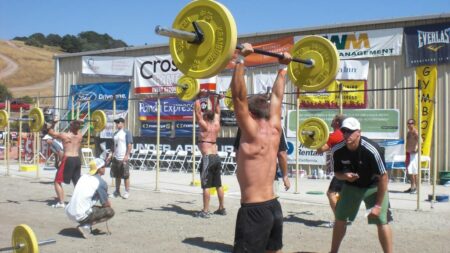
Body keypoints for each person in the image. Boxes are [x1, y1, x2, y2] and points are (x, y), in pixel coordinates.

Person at [231, 43, 291, 253]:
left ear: (252, 114)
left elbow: (238, 98)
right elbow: (277, 97)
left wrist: (240, 60)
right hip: (274, 207)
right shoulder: (275, 128)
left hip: (254, 210)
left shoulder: (252, 131)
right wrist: (282, 68)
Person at [330, 117, 393, 253]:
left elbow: (383, 177)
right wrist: (345, 176)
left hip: (374, 187)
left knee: (382, 221)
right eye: (344, 131)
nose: (346, 135)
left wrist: (377, 205)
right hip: (352, 187)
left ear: (359, 132)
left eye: (350, 131)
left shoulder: (372, 149)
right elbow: (337, 173)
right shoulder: (337, 150)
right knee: (340, 218)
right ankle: (333, 251)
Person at [65, 158, 115, 239]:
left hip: (69, 210)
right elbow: (106, 204)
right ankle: (86, 226)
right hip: (79, 214)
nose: (104, 168)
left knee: (89, 205)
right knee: (110, 211)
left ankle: (85, 223)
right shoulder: (101, 182)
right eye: (103, 167)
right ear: (99, 169)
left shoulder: (83, 177)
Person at [194, 96, 226, 218]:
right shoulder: (216, 124)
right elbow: (218, 111)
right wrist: (218, 100)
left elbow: (197, 112)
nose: (202, 115)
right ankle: (221, 208)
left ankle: (205, 211)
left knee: (206, 185)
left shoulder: (204, 125)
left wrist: (197, 98)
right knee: (218, 184)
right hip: (216, 157)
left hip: (208, 158)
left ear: (206, 117)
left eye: (204, 114)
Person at [234, 127, 291, 193]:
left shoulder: (245, 125)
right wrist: (285, 176)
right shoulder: (275, 126)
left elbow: (238, 151)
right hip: (269, 175)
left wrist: (240, 170)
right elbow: (282, 153)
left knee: (251, 201)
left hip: (250, 174)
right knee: (269, 201)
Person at [46, 120, 83, 208]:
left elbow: (50, 132)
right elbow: (77, 125)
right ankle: (81, 202)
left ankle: (61, 202)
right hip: (77, 159)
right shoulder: (80, 135)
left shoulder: (65, 135)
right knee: (77, 183)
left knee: (57, 181)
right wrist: (79, 122)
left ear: (71, 125)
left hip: (68, 159)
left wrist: (53, 123)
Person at [316, 115, 345, 227]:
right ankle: (345, 218)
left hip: (342, 170)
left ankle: (339, 221)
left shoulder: (334, 136)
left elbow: (320, 150)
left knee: (331, 193)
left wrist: (315, 139)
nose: (331, 121)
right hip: (352, 168)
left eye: (333, 120)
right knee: (340, 195)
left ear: (337, 122)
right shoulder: (346, 134)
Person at [107, 117, 133, 199]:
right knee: (117, 176)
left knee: (126, 176)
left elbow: (129, 145)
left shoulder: (127, 133)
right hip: (116, 158)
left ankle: (127, 192)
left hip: (123, 158)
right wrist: (110, 155)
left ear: (123, 123)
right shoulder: (115, 134)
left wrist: (126, 155)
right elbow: (113, 146)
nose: (117, 124)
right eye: (116, 123)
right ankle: (117, 192)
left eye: (118, 122)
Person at [404, 118, 420, 194]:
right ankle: (412, 187)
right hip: (408, 153)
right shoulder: (409, 132)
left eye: (411, 123)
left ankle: (416, 188)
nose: (410, 125)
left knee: (414, 171)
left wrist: (416, 148)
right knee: (410, 171)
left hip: (413, 154)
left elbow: (421, 141)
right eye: (408, 123)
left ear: (414, 124)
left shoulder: (415, 132)